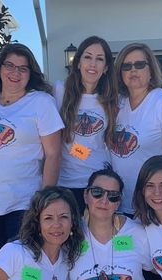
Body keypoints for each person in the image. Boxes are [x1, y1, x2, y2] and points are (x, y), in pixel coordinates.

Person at [0, 43, 64, 260]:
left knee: (24, 264)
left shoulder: (41, 103)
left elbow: (53, 153)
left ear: (30, 74)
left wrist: (45, 199)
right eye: (10, 65)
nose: (15, 73)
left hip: (24, 202)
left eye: (23, 68)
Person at [0, 186, 84, 280]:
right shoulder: (14, 252)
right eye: (48, 218)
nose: (57, 224)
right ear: (37, 223)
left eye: (63, 217)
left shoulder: (65, 262)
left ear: (72, 222)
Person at [111, 43, 162, 215]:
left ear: (150, 69)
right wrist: (78, 152)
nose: (133, 70)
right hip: (120, 203)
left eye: (139, 65)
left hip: (154, 204)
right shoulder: (117, 105)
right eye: (126, 66)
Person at [68, 164, 152, 280]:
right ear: (85, 196)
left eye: (113, 196)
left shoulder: (138, 232)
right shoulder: (68, 234)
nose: (104, 200)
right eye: (97, 192)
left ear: (118, 203)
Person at [55, 36, 118, 213]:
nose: (93, 64)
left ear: (105, 68)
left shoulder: (111, 100)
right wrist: (81, 153)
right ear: (78, 62)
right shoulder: (59, 91)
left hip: (97, 185)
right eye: (88, 57)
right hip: (65, 184)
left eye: (99, 59)